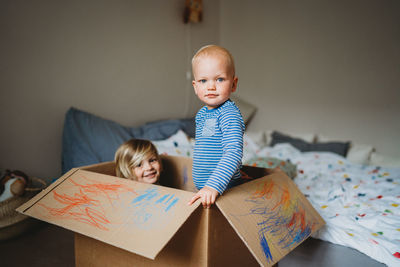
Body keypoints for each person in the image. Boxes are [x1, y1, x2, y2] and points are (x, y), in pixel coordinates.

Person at [188, 45, 245, 208]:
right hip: (205, 189)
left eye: (219, 79)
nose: (211, 86)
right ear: (195, 86)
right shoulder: (202, 114)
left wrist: (213, 185)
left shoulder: (228, 114)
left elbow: (233, 152)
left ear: (233, 84)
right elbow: (207, 146)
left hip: (223, 189)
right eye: (203, 80)